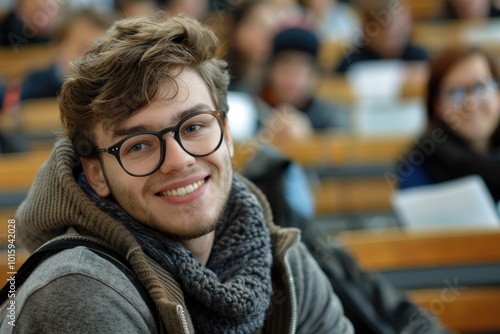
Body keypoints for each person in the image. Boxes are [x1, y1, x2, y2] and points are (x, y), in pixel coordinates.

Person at [1, 13, 353, 333]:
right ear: (96, 174)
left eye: (194, 126)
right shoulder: (77, 294)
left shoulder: (283, 261)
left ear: (227, 135)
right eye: (138, 145)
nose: (179, 160)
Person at [396, 45, 500, 201]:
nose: (471, 102)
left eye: (481, 87)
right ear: (437, 105)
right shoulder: (419, 166)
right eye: (456, 92)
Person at [259, 26, 351, 137]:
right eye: (285, 64)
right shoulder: (251, 109)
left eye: (301, 67)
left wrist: (308, 138)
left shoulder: (331, 116)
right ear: (271, 70)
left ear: (314, 74)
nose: (292, 75)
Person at [19, 8, 112, 101]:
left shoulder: (109, 88)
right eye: (82, 48)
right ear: (57, 45)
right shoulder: (34, 86)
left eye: (99, 52)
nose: (91, 59)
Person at [335, 0, 428, 74]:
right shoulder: (351, 63)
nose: (392, 40)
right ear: (367, 30)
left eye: (398, 34)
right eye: (384, 29)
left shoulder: (418, 59)